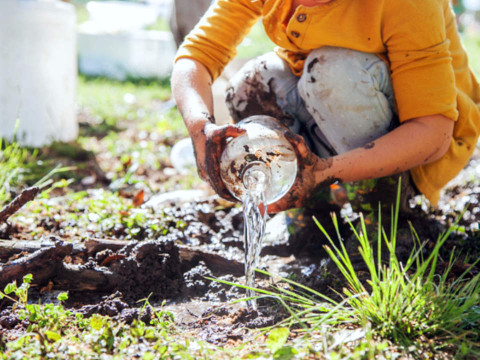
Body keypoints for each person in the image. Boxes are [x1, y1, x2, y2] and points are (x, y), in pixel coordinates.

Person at [171, 0, 480, 217]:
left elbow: (433, 133)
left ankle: (384, 214)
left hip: (412, 143)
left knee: (332, 72)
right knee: (252, 84)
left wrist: (325, 172)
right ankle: (310, 214)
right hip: (329, 109)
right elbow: (197, 55)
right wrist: (200, 127)